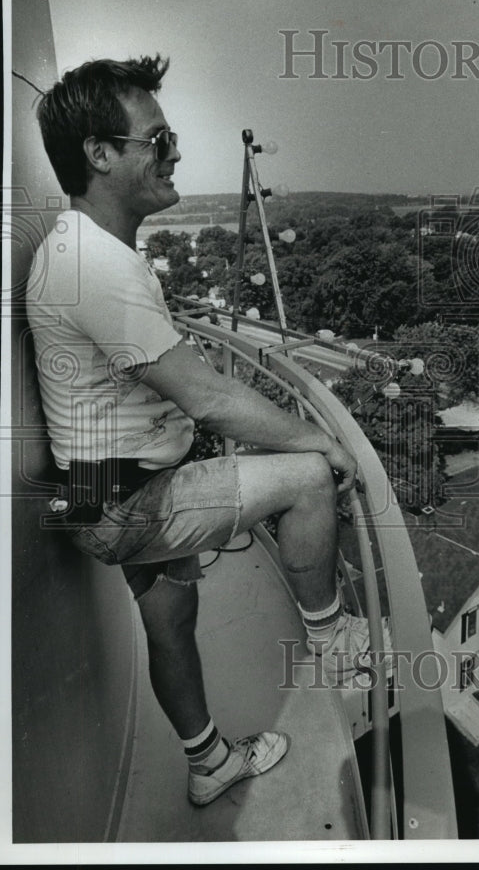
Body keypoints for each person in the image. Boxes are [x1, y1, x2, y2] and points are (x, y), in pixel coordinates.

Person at [26, 54, 391, 808]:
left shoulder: (82, 250)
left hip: (94, 492)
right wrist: (318, 441)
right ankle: (334, 643)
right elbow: (211, 399)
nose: (175, 151)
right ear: (101, 154)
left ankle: (209, 763)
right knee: (306, 479)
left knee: (172, 617)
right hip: (125, 501)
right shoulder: (93, 266)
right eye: (157, 140)